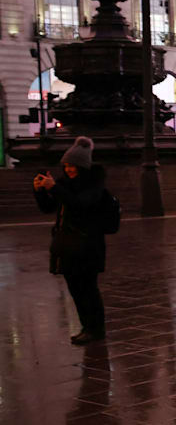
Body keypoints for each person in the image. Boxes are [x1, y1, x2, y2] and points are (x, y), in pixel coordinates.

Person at [33, 136, 109, 344]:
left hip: (87, 244)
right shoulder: (65, 184)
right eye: (66, 166)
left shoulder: (94, 184)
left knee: (88, 289)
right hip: (68, 245)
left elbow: (79, 205)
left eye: (73, 166)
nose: (69, 170)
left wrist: (55, 188)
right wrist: (40, 191)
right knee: (75, 289)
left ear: (83, 166)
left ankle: (96, 329)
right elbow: (48, 208)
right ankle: (87, 327)